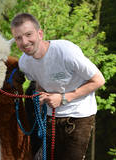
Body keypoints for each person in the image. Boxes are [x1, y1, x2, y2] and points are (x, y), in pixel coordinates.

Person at [10, 13, 105, 160]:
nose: (25, 42)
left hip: (78, 116)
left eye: (29, 34)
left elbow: (98, 80)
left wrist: (64, 98)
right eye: (18, 38)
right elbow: (40, 80)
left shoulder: (66, 52)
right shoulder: (25, 62)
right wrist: (40, 94)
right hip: (50, 117)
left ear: (40, 34)